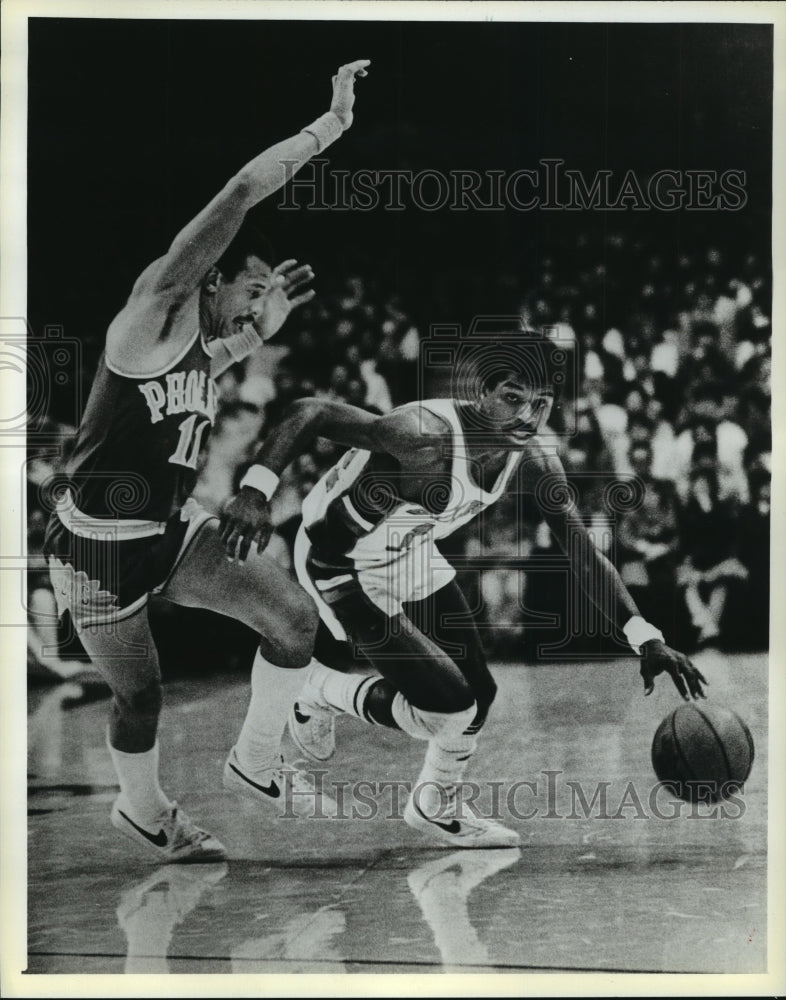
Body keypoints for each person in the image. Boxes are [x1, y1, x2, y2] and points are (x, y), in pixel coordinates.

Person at [43, 60, 371, 862]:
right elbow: (237, 197)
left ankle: (256, 764)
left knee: (294, 622)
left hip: (167, 529)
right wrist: (329, 127)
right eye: (251, 287)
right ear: (214, 276)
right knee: (140, 695)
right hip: (95, 549)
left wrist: (260, 332)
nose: (258, 298)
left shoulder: (192, 344)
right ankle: (145, 807)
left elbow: (203, 369)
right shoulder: (153, 307)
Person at [219, 330, 708, 848]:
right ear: (482, 393)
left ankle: (436, 806)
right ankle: (319, 690)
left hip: (409, 547)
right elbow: (311, 412)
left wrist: (644, 635)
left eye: (540, 404)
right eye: (513, 398)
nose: (527, 416)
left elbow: (581, 551)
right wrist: (255, 491)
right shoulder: (423, 434)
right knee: (449, 709)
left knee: (482, 692)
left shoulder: (536, 456)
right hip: (339, 559)